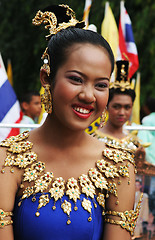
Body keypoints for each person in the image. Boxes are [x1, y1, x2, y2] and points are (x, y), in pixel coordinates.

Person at [0, 5, 141, 240]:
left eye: (101, 85)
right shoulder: (8, 158)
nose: (88, 95)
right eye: (76, 79)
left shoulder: (119, 164)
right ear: (47, 78)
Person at [93, 60, 146, 162]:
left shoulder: (135, 143)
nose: (122, 112)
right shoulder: (94, 140)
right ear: (107, 106)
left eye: (127, 107)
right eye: (116, 106)